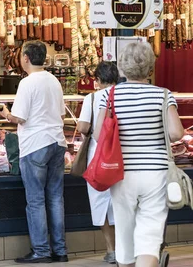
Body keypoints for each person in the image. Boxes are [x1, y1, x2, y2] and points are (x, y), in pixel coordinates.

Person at [93, 42, 184, 267]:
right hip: (156, 174)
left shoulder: (110, 95)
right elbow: (176, 133)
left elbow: (97, 134)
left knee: (124, 233)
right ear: (150, 69)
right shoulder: (163, 95)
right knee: (150, 236)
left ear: (122, 68)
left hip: (120, 173)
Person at [0, 41, 68, 263]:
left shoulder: (27, 83)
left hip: (35, 145)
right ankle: (60, 250)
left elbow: (20, 117)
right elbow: (62, 115)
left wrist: (6, 114)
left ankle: (41, 251)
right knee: (56, 198)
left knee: (36, 200)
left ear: (26, 58)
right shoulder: (54, 81)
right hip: (57, 142)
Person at [76, 61, 119, 264]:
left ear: (98, 80)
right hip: (122, 157)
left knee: (100, 203)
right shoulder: (124, 95)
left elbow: (84, 127)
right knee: (121, 203)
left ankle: (111, 250)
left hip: (98, 158)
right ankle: (126, 247)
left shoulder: (92, 98)